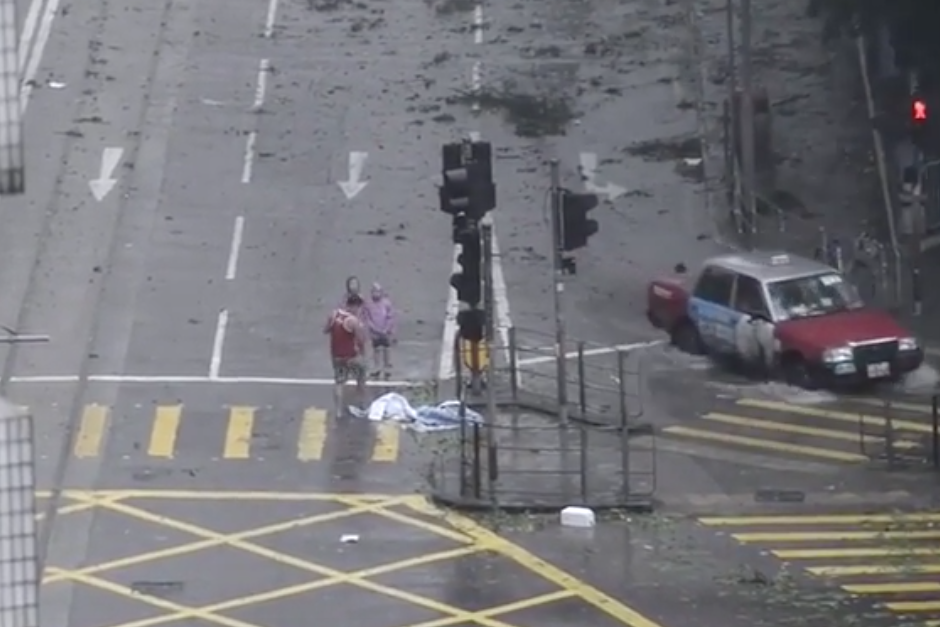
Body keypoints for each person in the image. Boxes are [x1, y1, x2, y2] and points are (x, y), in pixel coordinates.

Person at [324, 293, 368, 417]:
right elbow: (360, 340)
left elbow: (325, 330)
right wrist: (363, 354)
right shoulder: (353, 321)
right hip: (350, 356)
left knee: (339, 382)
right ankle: (362, 403)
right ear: (356, 306)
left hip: (336, 355)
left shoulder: (333, 315)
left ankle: (338, 410)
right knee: (361, 376)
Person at [364, 283, 397, 379]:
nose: (376, 294)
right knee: (376, 349)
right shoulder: (368, 304)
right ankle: (377, 367)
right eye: (374, 291)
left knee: (386, 349)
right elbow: (367, 318)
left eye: (378, 291)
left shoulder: (386, 303)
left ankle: (387, 368)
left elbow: (390, 317)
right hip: (375, 331)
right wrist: (373, 328)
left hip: (385, 331)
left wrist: (387, 328)